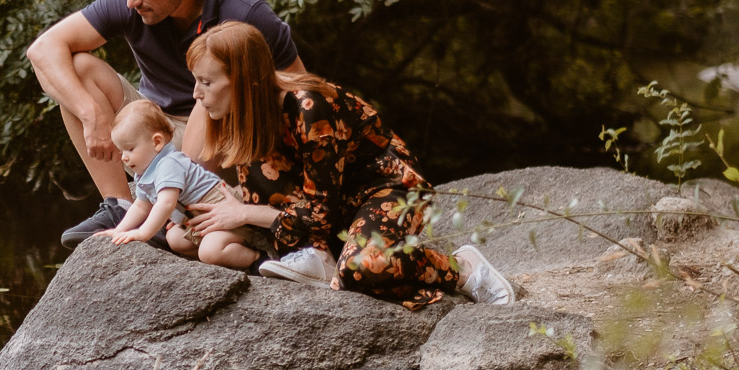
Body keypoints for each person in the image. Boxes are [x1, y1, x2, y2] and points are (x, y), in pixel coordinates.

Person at [180, 21, 515, 308]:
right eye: (195, 81)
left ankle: (461, 267)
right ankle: (336, 256)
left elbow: (319, 214)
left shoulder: (308, 106)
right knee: (205, 239)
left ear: (242, 80)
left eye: (206, 82)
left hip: (386, 189)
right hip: (330, 209)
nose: (196, 93)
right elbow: (266, 196)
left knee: (360, 269)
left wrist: (244, 214)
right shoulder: (238, 116)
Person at [27, 0, 306, 247]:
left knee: (203, 97)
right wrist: (92, 115)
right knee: (78, 69)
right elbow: (42, 50)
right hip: (159, 132)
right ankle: (120, 206)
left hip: (227, 140)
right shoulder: (129, 1)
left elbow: (301, 92)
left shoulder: (244, 11)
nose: (131, 0)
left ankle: (176, 214)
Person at [95, 100, 230, 257]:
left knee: (212, 251)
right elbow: (141, 206)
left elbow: (166, 203)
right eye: (121, 151)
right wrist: (119, 230)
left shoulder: (169, 163)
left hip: (221, 215)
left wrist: (142, 233)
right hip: (198, 219)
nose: (124, 157)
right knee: (174, 238)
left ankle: (254, 258)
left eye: (130, 149)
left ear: (157, 142)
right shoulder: (145, 173)